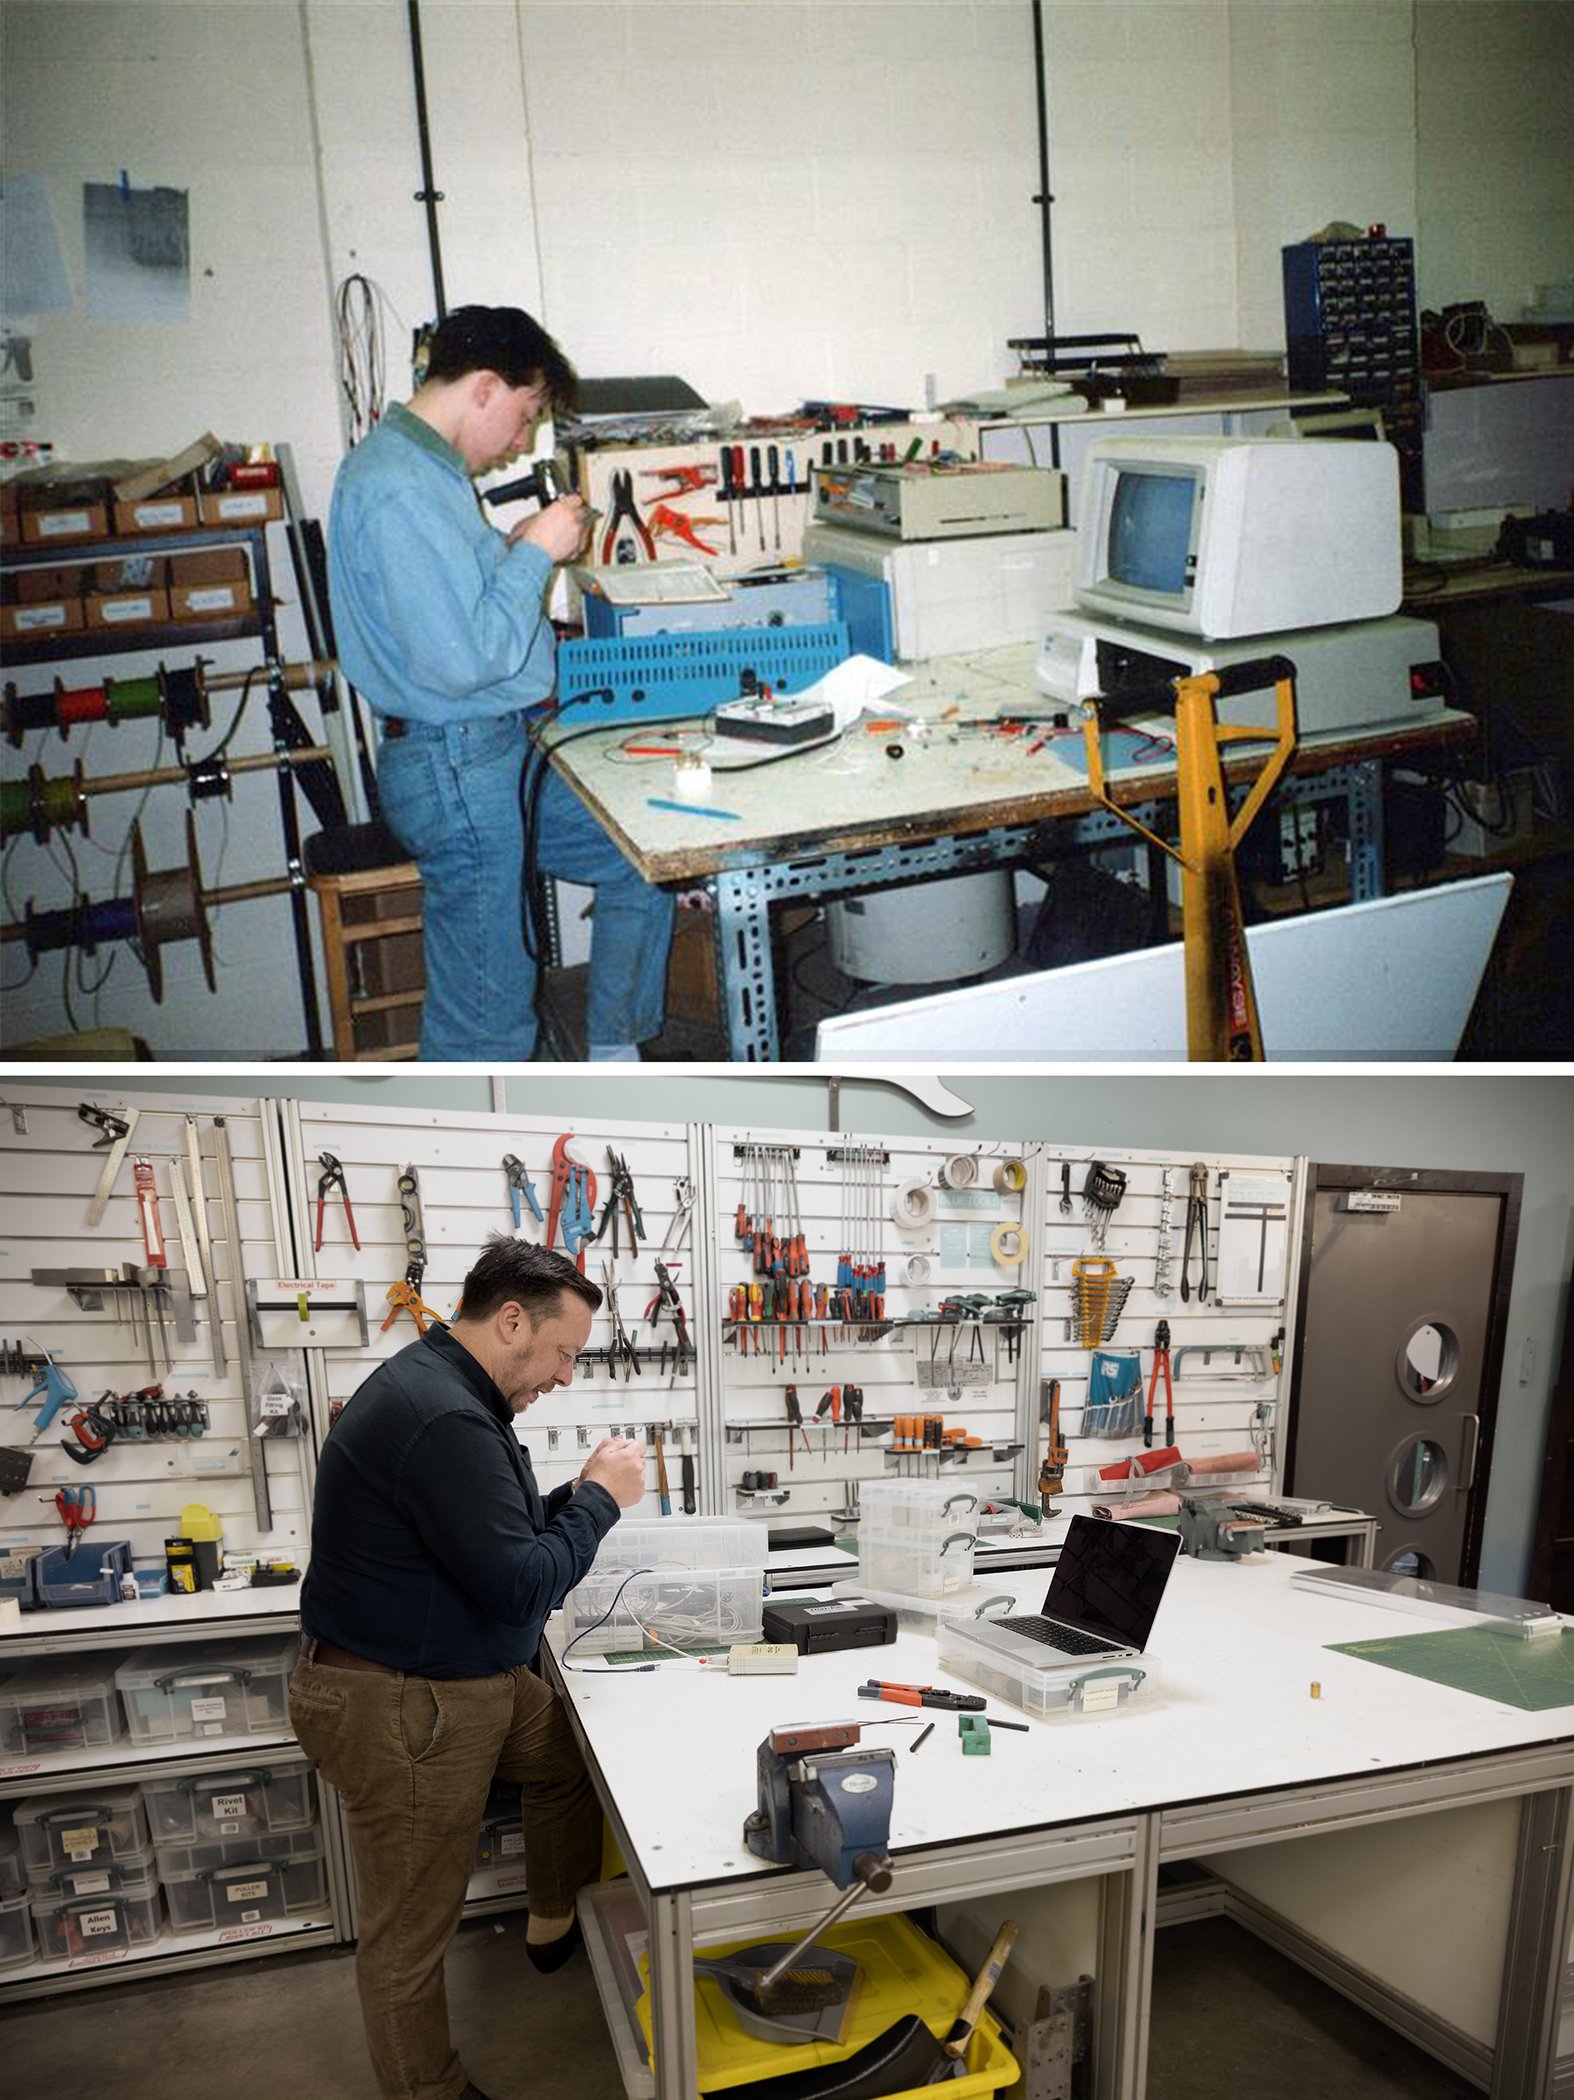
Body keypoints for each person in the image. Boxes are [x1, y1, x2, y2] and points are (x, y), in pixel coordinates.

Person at [288, 1235, 646, 2100]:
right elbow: (523, 1586)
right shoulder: (445, 1415)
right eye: (562, 1353)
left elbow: (498, 1540)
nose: (564, 1376)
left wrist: (574, 1498)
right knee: (408, 1935)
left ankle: (552, 1920)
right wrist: (599, 1500)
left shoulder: (449, 1393)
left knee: (569, 1755)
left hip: (459, 1684)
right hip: (405, 1707)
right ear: (512, 1320)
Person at [327, 303, 675, 1061]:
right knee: (486, 1013)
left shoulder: (423, 473)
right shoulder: (400, 486)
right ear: (485, 387)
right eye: (525, 418)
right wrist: (536, 554)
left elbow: (452, 609)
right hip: (456, 764)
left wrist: (506, 548)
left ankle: (615, 1058)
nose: (521, 444)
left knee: (640, 860)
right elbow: (467, 658)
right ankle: (464, 1162)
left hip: (489, 754)